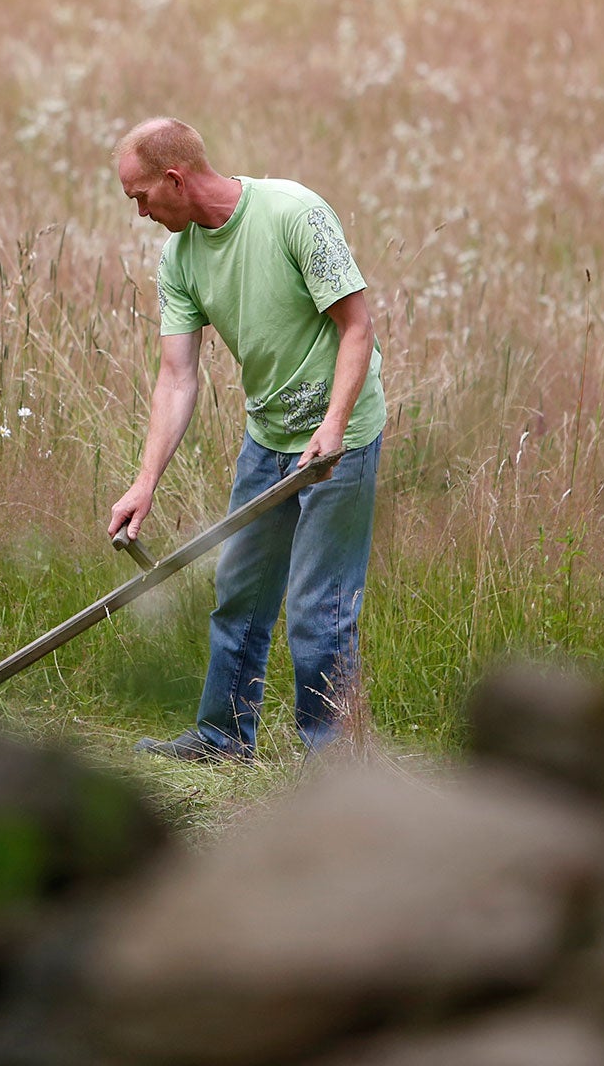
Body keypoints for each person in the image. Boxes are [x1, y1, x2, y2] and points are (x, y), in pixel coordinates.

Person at [107, 117, 384, 760]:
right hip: (270, 439)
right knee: (240, 596)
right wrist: (144, 483)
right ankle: (223, 739)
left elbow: (357, 325)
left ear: (174, 179)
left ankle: (333, 771)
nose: (141, 212)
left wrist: (334, 427)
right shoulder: (179, 258)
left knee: (320, 612)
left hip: (341, 441)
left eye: (141, 197)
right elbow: (177, 377)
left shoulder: (294, 214)